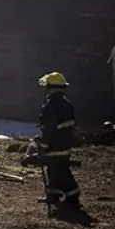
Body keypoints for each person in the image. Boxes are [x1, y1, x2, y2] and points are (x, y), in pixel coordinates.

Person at [36, 72, 81, 209]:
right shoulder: (67, 105)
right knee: (59, 170)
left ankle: (72, 197)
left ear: (51, 88)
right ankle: (54, 195)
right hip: (65, 144)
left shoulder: (51, 106)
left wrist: (43, 145)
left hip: (54, 145)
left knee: (57, 171)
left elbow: (49, 128)